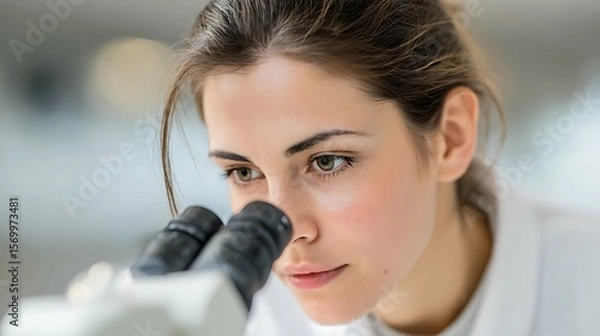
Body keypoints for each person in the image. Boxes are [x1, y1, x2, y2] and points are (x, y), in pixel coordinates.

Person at [158, 0, 600, 335]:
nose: (285, 230)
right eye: (244, 172)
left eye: (327, 161)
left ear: (452, 137)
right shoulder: (247, 318)